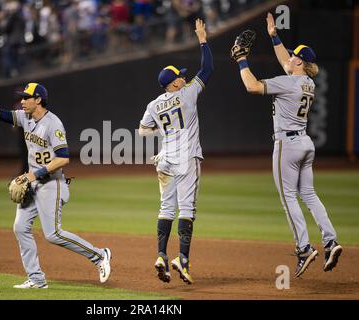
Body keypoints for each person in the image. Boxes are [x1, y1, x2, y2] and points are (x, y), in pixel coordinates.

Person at [0, 82, 112, 288]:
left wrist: (32, 175)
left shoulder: (53, 124)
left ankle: (100, 255)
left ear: (38, 100)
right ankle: (36, 279)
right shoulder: (24, 117)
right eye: (22, 97)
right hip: (33, 183)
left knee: (53, 234)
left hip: (52, 184)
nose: (22, 101)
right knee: (20, 228)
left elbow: (63, 159)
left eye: (26, 97)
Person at [232, 13, 342, 277]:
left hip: (287, 145)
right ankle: (331, 241)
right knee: (309, 194)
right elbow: (285, 62)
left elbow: (251, 86)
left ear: (300, 62)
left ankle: (304, 248)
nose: (289, 57)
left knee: (289, 197)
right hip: (305, 143)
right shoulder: (307, 83)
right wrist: (274, 36)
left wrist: (240, 59)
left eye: (294, 55)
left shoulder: (288, 82)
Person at [138, 18, 213, 284]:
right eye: (180, 76)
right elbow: (208, 68)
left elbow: (142, 130)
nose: (184, 77)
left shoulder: (153, 105)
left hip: (165, 159)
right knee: (187, 209)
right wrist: (202, 38)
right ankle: (181, 259)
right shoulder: (189, 93)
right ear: (174, 84)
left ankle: (160, 254)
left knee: (166, 209)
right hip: (186, 159)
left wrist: (166, 134)